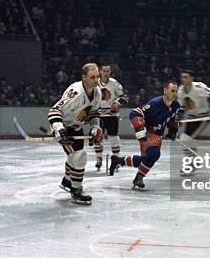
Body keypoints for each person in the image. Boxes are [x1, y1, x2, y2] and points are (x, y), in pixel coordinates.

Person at [47, 63, 103, 204]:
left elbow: (94, 113)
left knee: (74, 156)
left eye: (97, 77)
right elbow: (54, 111)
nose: (96, 80)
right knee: (79, 156)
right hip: (63, 127)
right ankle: (76, 190)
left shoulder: (97, 92)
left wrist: (95, 127)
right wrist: (59, 129)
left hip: (76, 127)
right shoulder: (75, 93)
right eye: (92, 77)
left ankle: (67, 181)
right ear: (83, 77)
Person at [109, 81, 181, 190]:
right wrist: (139, 128)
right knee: (154, 154)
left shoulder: (176, 105)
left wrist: (173, 130)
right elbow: (134, 113)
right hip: (147, 132)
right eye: (172, 90)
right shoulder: (154, 103)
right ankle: (139, 178)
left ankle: (119, 161)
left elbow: (172, 119)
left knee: (145, 160)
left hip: (157, 135)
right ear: (165, 90)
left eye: (176, 91)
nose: (174, 93)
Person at [177, 69, 210, 174]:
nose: (183, 79)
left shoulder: (199, 88)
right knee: (185, 140)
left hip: (203, 117)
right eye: (182, 77)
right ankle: (193, 162)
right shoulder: (180, 91)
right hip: (191, 117)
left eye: (186, 77)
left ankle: (193, 163)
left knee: (185, 140)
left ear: (191, 78)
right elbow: (184, 107)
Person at [94, 64, 127, 172]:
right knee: (97, 136)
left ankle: (116, 159)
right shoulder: (95, 83)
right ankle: (99, 158)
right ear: (100, 71)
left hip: (111, 115)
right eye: (104, 71)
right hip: (98, 114)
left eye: (108, 71)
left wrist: (118, 103)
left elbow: (124, 96)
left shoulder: (114, 83)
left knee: (113, 137)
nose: (106, 73)